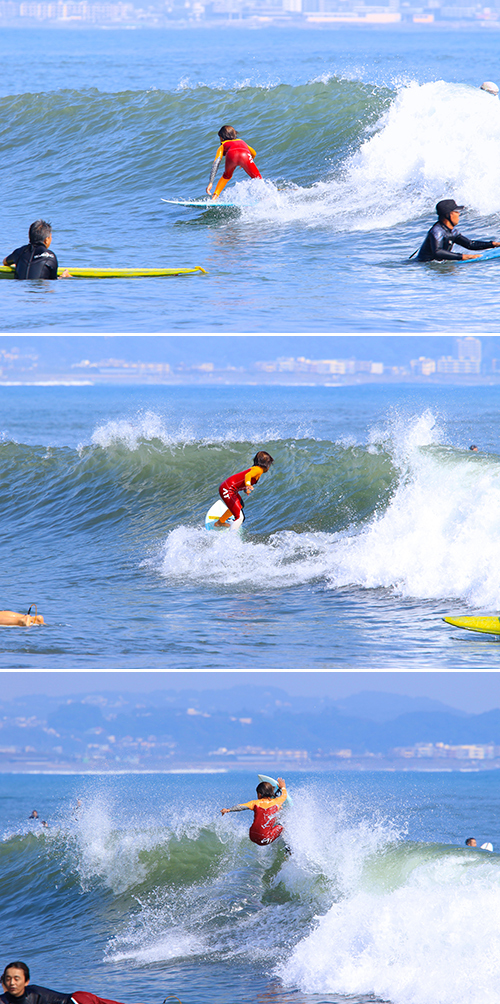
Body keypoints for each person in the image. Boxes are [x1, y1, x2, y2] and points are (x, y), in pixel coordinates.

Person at [0, 962, 143, 1004]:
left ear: (26, 981)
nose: (12, 983)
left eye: (17, 979)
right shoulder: (4, 999)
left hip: (79, 1001)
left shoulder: (33, 993)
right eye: (8, 979)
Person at [416, 200, 500, 262]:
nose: (459, 214)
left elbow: (470, 244)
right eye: (456, 211)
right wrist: (464, 256)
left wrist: (494, 244)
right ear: (448, 215)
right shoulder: (437, 231)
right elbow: (437, 252)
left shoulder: (452, 231)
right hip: (422, 266)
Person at [221, 777, 288, 846]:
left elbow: (240, 807)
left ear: (259, 794)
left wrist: (228, 810)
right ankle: (287, 848)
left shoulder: (255, 803)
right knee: (283, 824)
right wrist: (283, 787)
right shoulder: (277, 802)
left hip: (252, 836)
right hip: (265, 839)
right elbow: (284, 795)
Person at [215, 450, 274, 528]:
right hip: (227, 489)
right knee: (239, 517)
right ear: (267, 464)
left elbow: (242, 481)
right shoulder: (258, 470)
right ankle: (232, 537)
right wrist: (248, 485)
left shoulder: (255, 469)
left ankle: (220, 522)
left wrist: (246, 489)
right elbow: (248, 476)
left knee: (240, 505)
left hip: (229, 488)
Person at [206, 126, 262, 201]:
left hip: (231, 156)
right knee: (258, 179)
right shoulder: (242, 141)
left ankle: (214, 197)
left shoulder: (223, 145)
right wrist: (246, 162)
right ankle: (265, 196)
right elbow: (254, 153)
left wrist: (211, 182)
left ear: (222, 137)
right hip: (245, 156)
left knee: (226, 176)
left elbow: (216, 162)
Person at [3, 221, 70, 279]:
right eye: (51, 237)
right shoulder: (50, 256)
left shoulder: (19, 251)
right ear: (46, 240)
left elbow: (5, 262)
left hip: (21, 290)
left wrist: (18, 262)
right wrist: (63, 277)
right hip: (39, 291)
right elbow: (52, 281)